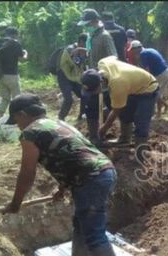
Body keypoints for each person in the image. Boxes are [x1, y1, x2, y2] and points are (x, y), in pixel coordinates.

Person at [2, 93, 129, 256]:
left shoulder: (31, 133)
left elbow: (27, 172)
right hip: (101, 171)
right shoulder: (55, 123)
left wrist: (16, 203)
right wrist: (64, 186)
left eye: (16, 121)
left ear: (22, 115)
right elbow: (74, 153)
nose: (18, 126)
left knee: (94, 234)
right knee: (81, 223)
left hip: (91, 179)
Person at [80, 56, 159, 161]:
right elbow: (114, 57)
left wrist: (102, 130)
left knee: (141, 119)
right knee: (124, 111)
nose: (92, 93)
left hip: (147, 88)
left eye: (93, 91)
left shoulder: (118, 84)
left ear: (100, 83)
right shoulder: (102, 63)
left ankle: (141, 153)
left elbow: (116, 111)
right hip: (131, 85)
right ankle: (125, 139)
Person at [77, 9, 117, 146]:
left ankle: (100, 135)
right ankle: (94, 136)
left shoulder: (104, 36)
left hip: (102, 80)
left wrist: (103, 75)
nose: (86, 26)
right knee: (92, 108)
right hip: (92, 77)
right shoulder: (91, 37)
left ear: (95, 21)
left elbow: (113, 57)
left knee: (100, 108)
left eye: (88, 23)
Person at [0, 27, 28, 121]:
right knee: (17, 99)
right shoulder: (15, 43)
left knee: (5, 98)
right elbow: (22, 59)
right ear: (15, 34)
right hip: (12, 75)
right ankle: (15, 118)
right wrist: (26, 53)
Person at [130, 40, 168, 118]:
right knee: (158, 93)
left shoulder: (143, 54)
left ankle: (158, 114)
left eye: (133, 50)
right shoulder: (149, 50)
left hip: (161, 74)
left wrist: (145, 82)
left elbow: (147, 71)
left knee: (153, 93)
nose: (133, 52)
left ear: (137, 48)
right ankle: (164, 107)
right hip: (167, 72)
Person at [56, 33, 88, 121]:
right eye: (87, 43)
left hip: (74, 78)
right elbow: (73, 54)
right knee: (69, 99)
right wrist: (83, 49)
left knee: (84, 95)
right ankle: (61, 118)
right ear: (81, 42)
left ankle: (81, 116)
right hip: (64, 76)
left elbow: (82, 66)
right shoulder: (70, 48)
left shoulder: (84, 52)